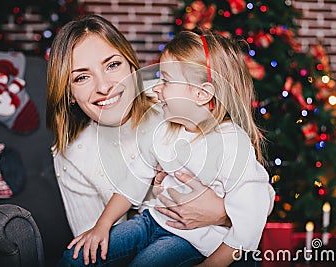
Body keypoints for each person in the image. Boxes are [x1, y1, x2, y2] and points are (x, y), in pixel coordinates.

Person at [57, 29, 275, 267]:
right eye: (81, 77)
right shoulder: (168, 127)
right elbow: (134, 179)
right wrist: (102, 226)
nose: (156, 88)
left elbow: (251, 219)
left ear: (202, 94)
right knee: (75, 259)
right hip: (153, 220)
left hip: (195, 239)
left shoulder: (232, 144)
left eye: (166, 81)